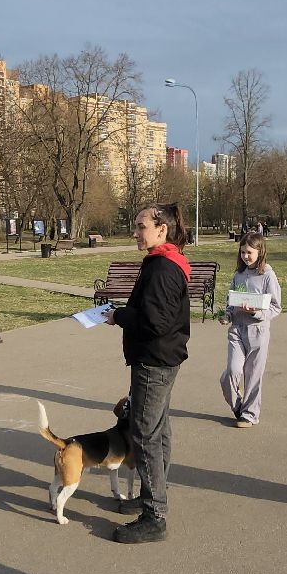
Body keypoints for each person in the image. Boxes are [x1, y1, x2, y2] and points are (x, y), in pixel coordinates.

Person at [108, 204, 190, 544]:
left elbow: (154, 322)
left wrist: (120, 316)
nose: (136, 232)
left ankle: (154, 515)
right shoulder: (166, 261)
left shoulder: (162, 268)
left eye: (142, 226)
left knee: (144, 435)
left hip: (154, 362)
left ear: (162, 230)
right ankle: (153, 495)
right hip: (163, 358)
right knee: (158, 429)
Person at [221, 231, 282, 428]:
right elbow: (231, 301)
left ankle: (250, 414)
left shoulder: (267, 276)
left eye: (249, 252)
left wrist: (256, 313)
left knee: (253, 374)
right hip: (237, 330)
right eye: (242, 252)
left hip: (258, 331)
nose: (245, 256)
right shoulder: (238, 275)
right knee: (231, 371)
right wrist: (227, 315)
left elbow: (275, 307)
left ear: (260, 252)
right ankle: (239, 407)